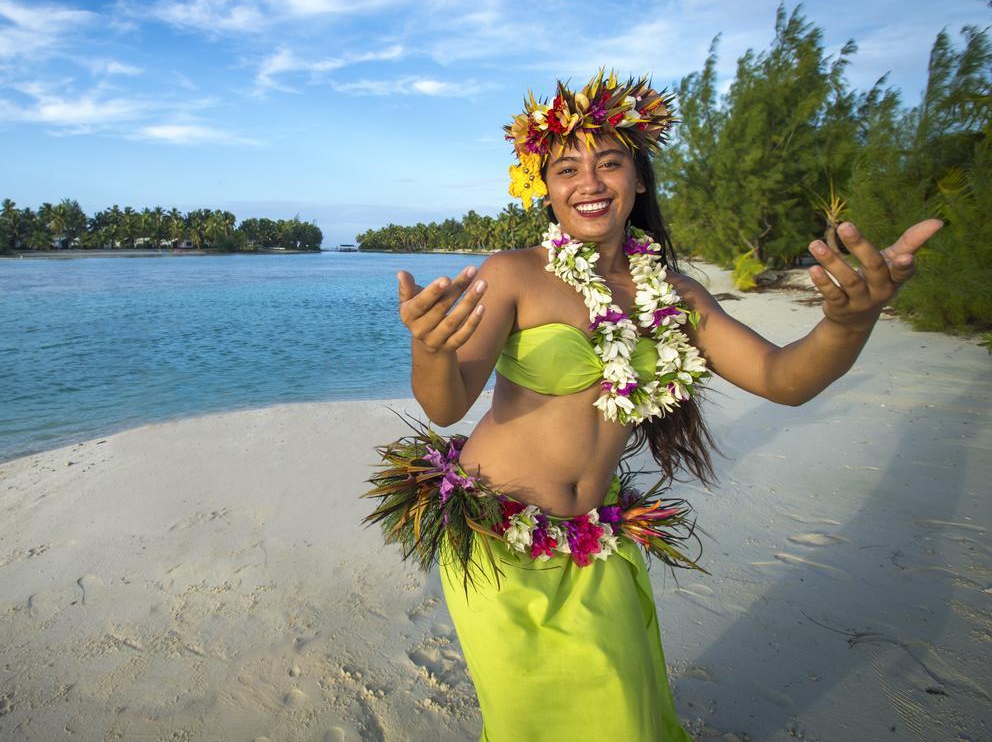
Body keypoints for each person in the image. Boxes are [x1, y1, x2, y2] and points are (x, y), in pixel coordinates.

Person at [371, 69, 942, 741]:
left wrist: (848, 324)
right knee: (541, 724)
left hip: (598, 539)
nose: (589, 182)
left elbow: (783, 379)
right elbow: (447, 405)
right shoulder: (514, 273)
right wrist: (431, 350)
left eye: (609, 163)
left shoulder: (674, 293)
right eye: (566, 168)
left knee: (629, 715)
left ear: (638, 179)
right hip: (500, 544)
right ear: (544, 188)